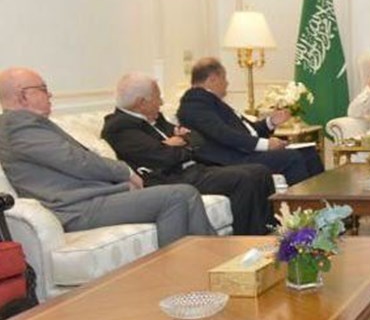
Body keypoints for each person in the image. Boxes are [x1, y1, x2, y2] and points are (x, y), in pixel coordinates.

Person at [0, 67, 214, 246]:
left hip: (91, 198)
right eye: (43, 89)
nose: (50, 95)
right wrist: (124, 171)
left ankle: (212, 267)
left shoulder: (29, 125)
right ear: (23, 95)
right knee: (177, 196)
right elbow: (76, 161)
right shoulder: (19, 128)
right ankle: (181, 273)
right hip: (75, 209)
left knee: (186, 194)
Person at [102, 72, 275, 236]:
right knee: (243, 179)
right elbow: (164, 157)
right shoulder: (120, 128)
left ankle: (271, 235)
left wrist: (179, 142)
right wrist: (181, 145)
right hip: (172, 179)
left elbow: (197, 139)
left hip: (193, 170)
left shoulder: (155, 118)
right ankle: (246, 241)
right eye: (157, 97)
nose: (161, 102)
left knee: (260, 171)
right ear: (141, 103)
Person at [177, 58, 324, 186]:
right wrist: (266, 145)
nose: (227, 83)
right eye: (224, 79)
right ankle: (300, 207)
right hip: (233, 159)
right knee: (291, 158)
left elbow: (248, 130)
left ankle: (323, 204)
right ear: (212, 79)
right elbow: (224, 134)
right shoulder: (195, 104)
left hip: (244, 152)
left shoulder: (210, 101)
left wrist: (271, 122)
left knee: (308, 153)